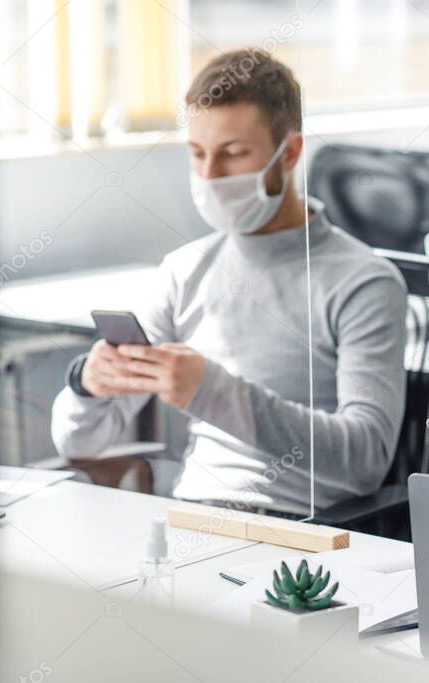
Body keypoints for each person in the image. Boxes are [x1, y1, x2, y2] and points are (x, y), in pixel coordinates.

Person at [51, 49, 408, 517]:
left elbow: (365, 460)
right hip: (192, 520)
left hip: (304, 534)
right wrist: (87, 386)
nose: (210, 176)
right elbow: (80, 443)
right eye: (198, 154)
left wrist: (216, 393)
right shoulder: (185, 270)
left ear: (291, 153)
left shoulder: (364, 283)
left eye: (234, 154)